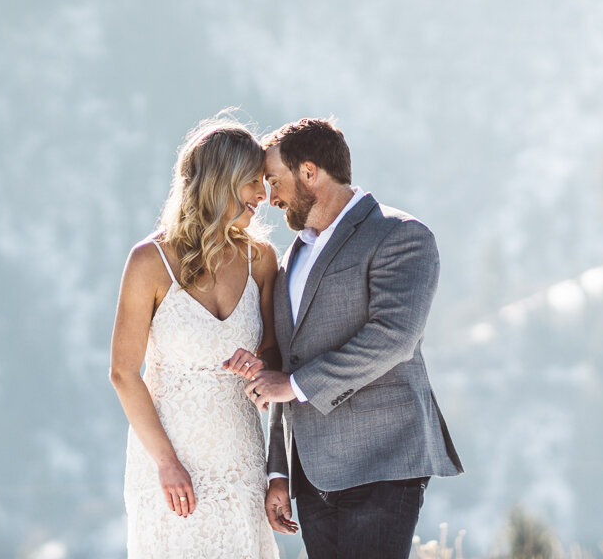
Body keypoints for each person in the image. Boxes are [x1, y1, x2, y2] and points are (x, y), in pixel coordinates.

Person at [224, 117, 464, 559]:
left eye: (275, 182)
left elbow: (394, 338)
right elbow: (286, 368)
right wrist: (279, 472)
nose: (270, 197)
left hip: (383, 463)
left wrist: (294, 385)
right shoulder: (291, 258)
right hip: (313, 474)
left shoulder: (400, 235)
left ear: (310, 173)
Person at [110, 116, 283, 559]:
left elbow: (276, 348)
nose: (262, 196)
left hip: (240, 457)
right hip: (170, 464)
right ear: (220, 182)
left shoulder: (260, 259)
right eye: (252, 183)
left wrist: (261, 362)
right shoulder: (149, 261)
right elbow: (124, 373)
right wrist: (166, 463)